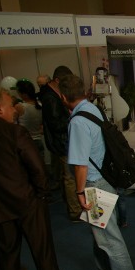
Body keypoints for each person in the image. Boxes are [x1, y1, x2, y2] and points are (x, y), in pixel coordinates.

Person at [0, 87, 75, 270]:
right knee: (43, 251)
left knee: (7, 256)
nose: (15, 110)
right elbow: (37, 167)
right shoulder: (15, 133)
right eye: (11, 105)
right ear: (0, 107)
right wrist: (41, 194)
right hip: (27, 201)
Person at [59, 74, 135, 270]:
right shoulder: (92, 109)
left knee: (107, 235)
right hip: (105, 179)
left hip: (94, 184)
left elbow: (80, 165)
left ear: (64, 97)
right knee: (100, 232)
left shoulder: (77, 122)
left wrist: (79, 192)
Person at [40, 65, 81, 222]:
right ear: (57, 80)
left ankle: (72, 206)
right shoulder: (50, 98)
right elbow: (56, 125)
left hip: (62, 142)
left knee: (68, 176)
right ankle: (75, 211)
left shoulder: (53, 96)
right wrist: (74, 118)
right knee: (70, 176)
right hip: (62, 143)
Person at [15, 79, 44, 161]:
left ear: (23, 94)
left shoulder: (20, 107)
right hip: (38, 141)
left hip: (26, 142)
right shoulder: (40, 105)